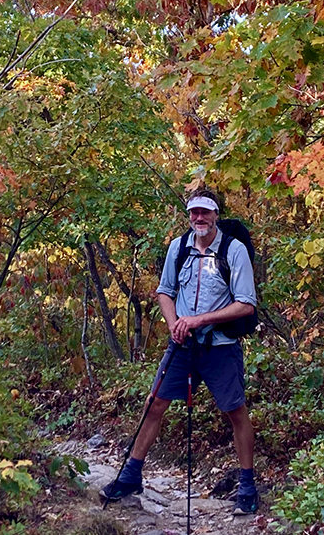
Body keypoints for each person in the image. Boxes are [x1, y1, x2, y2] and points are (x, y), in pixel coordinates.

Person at [100, 188, 259, 515]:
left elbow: (245, 304)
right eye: (193, 212)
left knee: (235, 411)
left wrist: (198, 320)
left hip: (220, 348)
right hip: (182, 346)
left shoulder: (234, 250)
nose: (199, 218)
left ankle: (247, 483)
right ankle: (131, 475)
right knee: (154, 403)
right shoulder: (179, 247)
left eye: (205, 212)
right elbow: (165, 292)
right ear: (188, 215)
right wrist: (175, 323)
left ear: (216, 214)